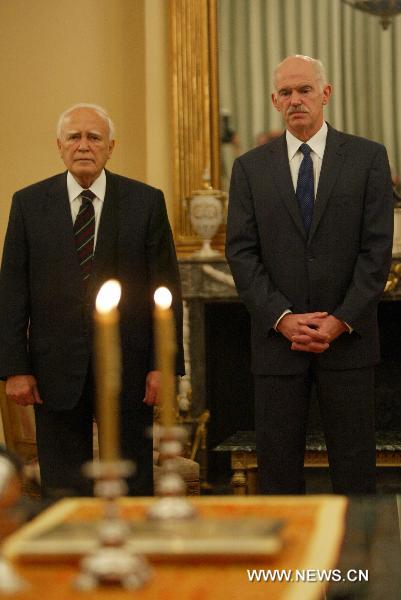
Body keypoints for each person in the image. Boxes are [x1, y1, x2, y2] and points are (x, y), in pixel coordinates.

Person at [226, 55, 394, 495]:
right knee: (278, 472)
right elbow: (242, 254)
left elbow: (376, 251)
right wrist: (283, 318)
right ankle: (285, 565)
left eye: (304, 90)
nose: (295, 100)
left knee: (355, 471)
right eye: (286, 93)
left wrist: (340, 320)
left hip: (349, 342)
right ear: (274, 100)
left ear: (326, 93)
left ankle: (355, 563)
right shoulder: (249, 168)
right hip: (278, 343)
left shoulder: (367, 158)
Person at [0, 103, 184, 498]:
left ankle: (131, 554)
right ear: (59, 146)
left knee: (133, 484)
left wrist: (163, 366)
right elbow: (12, 291)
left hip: (131, 370)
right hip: (54, 371)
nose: (83, 145)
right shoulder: (28, 204)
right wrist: (15, 367)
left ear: (110, 146)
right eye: (74, 137)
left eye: (94, 137)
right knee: (65, 491)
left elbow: (165, 290)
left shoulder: (145, 202)